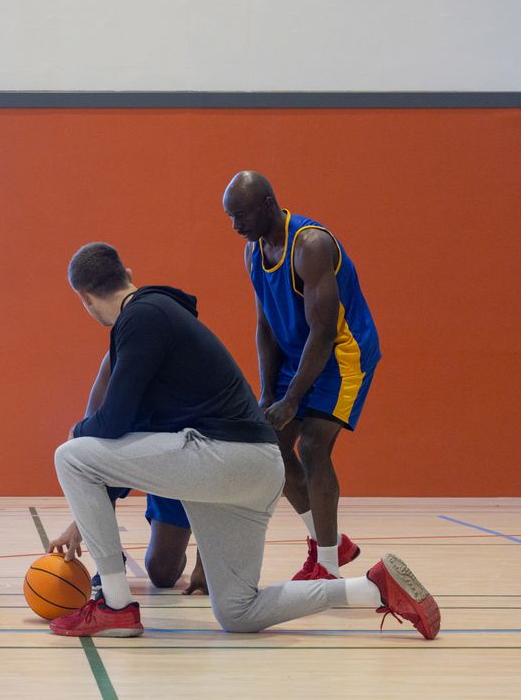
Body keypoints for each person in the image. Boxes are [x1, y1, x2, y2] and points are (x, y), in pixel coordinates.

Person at [48, 242, 438, 640]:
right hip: (254, 468)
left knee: (71, 454)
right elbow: (125, 439)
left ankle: (115, 606)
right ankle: (372, 587)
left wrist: (75, 435)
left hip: (223, 459)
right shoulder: (159, 315)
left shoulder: (141, 317)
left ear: (85, 297)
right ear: (126, 270)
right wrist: (84, 518)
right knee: (239, 612)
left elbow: (111, 424)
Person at [223, 171, 379, 580]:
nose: (235, 226)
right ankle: (332, 544)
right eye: (230, 217)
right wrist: (267, 392)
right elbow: (265, 325)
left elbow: (325, 332)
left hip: (342, 354)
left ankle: (326, 568)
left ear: (269, 205)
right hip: (298, 352)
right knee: (271, 448)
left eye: (241, 215)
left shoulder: (310, 245)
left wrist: (293, 399)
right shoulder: (253, 251)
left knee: (311, 447)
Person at [49, 352, 207, 595]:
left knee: (163, 575)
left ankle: (182, 539)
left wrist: (205, 561)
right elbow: (89, 447)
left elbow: (212, 460)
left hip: (178, 461)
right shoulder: (115, 361)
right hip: (132, 454)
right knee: (85, 453)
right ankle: (110, 562)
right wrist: (80, 523)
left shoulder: (188, 363)